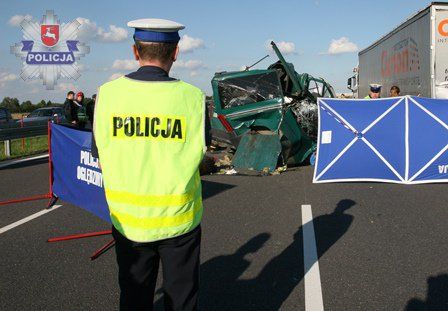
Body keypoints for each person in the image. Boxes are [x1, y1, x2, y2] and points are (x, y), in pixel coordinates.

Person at [91, 18, 206, 311]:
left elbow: (100, 154)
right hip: (179, 222)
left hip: (128, 223)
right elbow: (201, 154)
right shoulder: (193, 98)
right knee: (181, 300)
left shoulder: (107, 95)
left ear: (135, 51)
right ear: (176, 52)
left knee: (134, 298)